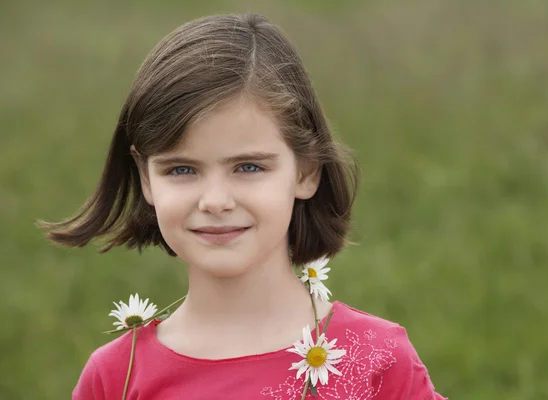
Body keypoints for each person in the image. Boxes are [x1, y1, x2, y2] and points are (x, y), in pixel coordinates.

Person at [41, 13, 446, 400]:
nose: (215, 201)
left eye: (248, 166)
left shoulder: (375, 359)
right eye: (181, 169)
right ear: (146, 178)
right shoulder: (116, 376)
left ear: (306, 171)